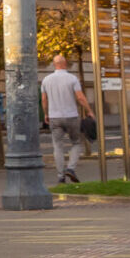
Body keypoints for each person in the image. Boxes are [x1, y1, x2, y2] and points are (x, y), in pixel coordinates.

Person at [40, 55, 92, 184]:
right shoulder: (72, 78)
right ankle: (71, 168)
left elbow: (44, 100)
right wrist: (89, 110)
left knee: (57, 146)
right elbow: (80, 97)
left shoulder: (46, 80)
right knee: (77, 142)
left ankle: (60, 176)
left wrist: (46, 114)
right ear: (65, 64)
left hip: (54, 117)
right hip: (71, 116)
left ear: (54, 64)